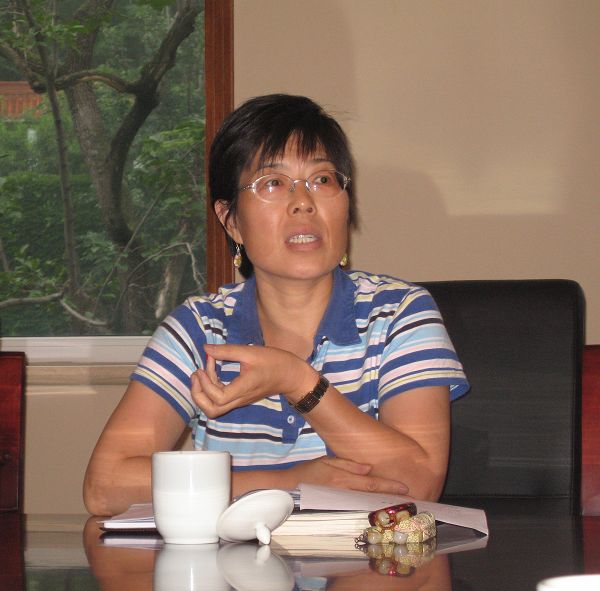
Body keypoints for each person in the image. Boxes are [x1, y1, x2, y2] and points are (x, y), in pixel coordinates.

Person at [83, 94, 469, 516]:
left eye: (323, 179)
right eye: (273, 183)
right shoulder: (200, 330)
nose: (303, 201)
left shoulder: (400, 314)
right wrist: (290, 483)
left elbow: (419, 484)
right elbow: (105, 486)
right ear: (232, 221)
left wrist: (296, 381)